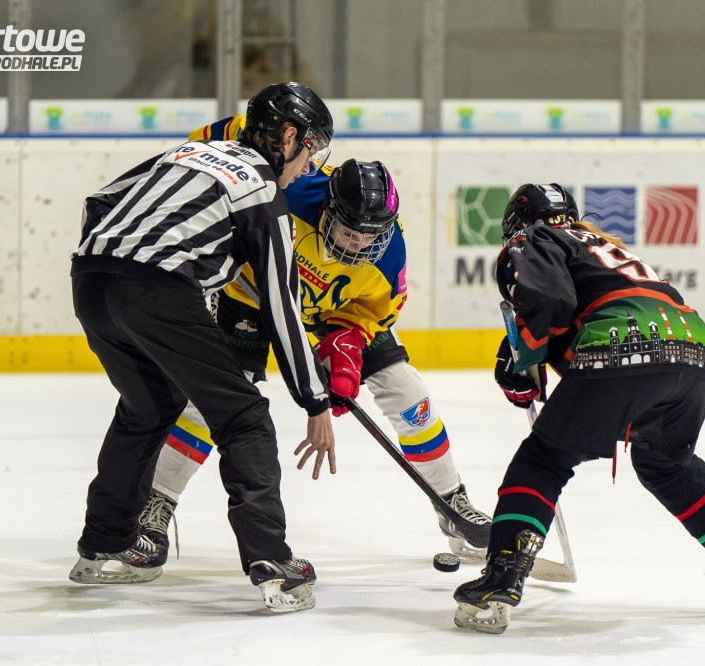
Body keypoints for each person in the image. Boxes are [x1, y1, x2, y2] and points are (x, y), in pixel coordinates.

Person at [452, 183, 705, 634]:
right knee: (667, 464)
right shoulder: (601, 244)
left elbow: (551, 301)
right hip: (697, 349)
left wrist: (524, 359)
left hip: (624, 343)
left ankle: (502, 578)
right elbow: (588, 299)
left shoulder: (531, 239)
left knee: (544, 458)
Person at [138, 143, 492, 566]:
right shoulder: (288, 195)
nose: (358, 245)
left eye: (370, 237)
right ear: (328, 210)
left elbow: (372, 313)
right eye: (349, 233)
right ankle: (156, 503)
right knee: (214, 400)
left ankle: (451, 501)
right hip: (251, 297)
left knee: (405, 389)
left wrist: (348, 342)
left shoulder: (390, 255)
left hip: (332, 311)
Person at [68, 81, 336, 614]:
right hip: (156, 289)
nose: (309, 167)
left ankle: (103, 545)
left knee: (149, 405)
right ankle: (271, 562)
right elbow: (281, 306)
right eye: (310, 150)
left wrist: (118, 264)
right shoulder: (262, 190)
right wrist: (314, 399)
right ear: (287, 136)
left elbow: (100, 200)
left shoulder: (190, 152)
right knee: (245, 417)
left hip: (90, 278)